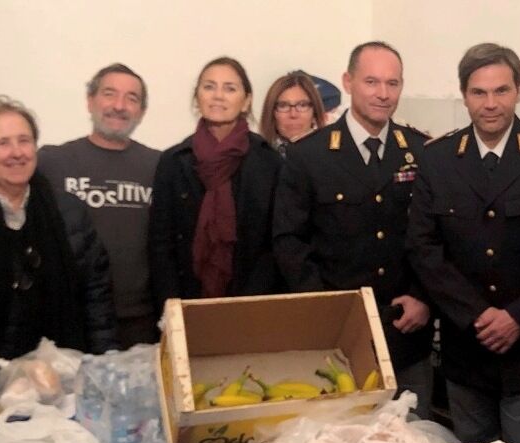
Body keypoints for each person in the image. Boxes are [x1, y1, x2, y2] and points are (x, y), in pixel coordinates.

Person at [408, 43, 520, 443]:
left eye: (502, 91)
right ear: (464, 95)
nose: (491, 103)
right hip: (466, 348)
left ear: (518, 91)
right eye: (479, 92)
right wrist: (476, 314)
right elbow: (424, 247)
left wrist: (518, 316)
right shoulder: (438, 158)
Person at [272, 42, 434, 417]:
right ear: (348, 82)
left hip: (406, 330)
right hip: (337, 338)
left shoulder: (421, 150)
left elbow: (435, 234)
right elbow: (289, 240)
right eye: (372, 81)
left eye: (392, 83)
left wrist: (423, 296)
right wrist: (330, 311)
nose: (383, 94)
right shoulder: (307, 155)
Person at [0, 96, 118, 396]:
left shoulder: (66, 210)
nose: (17, 153)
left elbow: (96, 294)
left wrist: (106, 367)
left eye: (24, 140)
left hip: (53, 383)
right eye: (3, 143)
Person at [38, 63, 161, 348]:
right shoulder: (51, 162)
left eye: (132, 98)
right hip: (72, 321)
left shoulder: (159, 166)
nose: (119, 105)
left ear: (141, 112)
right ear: (90, 101)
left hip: (143, 322)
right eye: (109, 94)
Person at [149, 57, 282, 307]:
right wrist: (171, 306)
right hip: (186, 300)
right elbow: (160, 244)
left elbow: (275, 244)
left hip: (253, 302)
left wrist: (253, 303)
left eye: (230, 88)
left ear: (246, 101)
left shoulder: (269, 162)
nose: (218, 96)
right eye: (209, 86)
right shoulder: (173, 160)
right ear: (197, 97)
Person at [258, 70, 327, 156]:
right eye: (283, 106)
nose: (293, 114)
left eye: (302, 105)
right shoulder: (256, 156)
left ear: (314, 113)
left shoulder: (331, 157)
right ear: (271, 113)